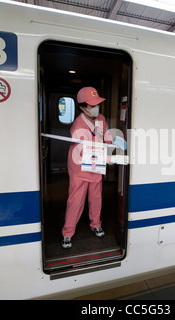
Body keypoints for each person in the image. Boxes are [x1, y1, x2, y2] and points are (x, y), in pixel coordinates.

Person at [62, 87, 113, 249]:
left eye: (97, 104)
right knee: (75, 201)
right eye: (92, 105)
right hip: (80, 167)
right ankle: (68, 232)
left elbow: (107, 135)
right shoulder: (77, 125)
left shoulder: (101, 118)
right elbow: (82, 151)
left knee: (96, 197)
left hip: (97, 165)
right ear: (82, 106)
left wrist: (113, 145)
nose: (96, 108)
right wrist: (107, 157)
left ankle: (95, 223)